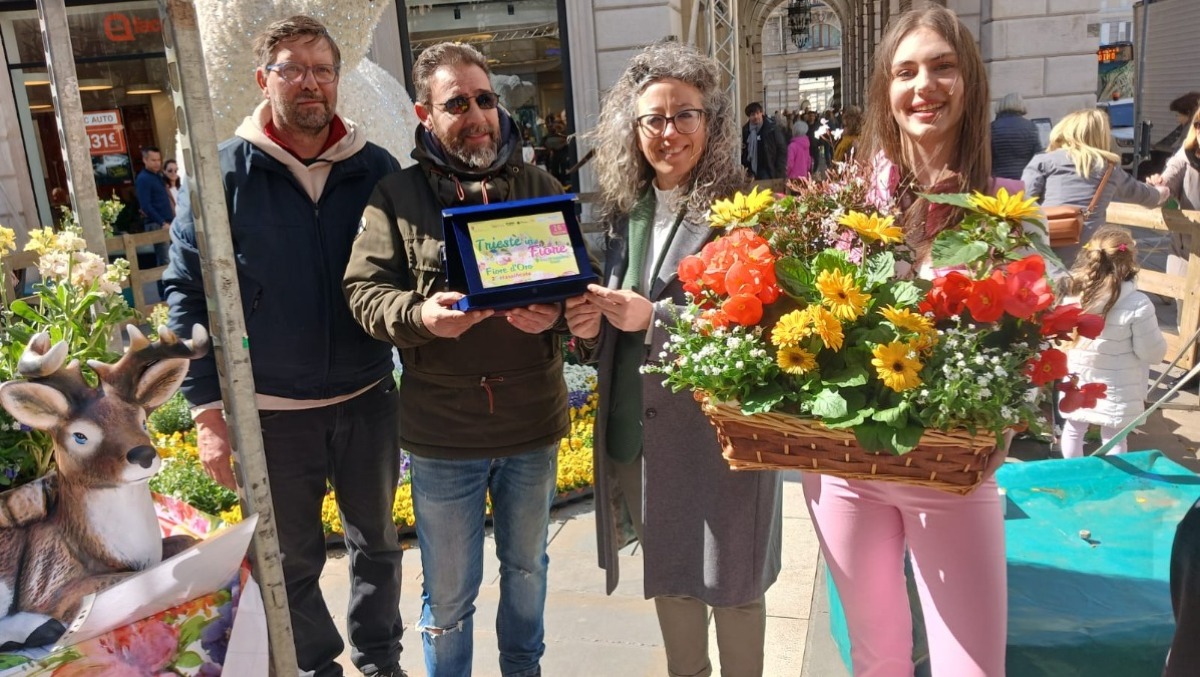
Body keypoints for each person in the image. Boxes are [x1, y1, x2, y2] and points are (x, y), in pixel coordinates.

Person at [162, 16, 405, 677]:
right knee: (289, 557)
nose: (310, 84)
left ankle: (382, 659)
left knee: (379, 543)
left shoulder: (375, 167)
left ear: (337, 80)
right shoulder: (222, 175)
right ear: (262, 78)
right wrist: (209, 414)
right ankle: (319, 666)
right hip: (271, 413)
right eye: (292, 69)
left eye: (322, 70)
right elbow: (187, 292)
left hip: (366, 399)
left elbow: (413, 267)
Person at [804, 8, 1024, 675]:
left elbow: (1025, 346)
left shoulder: (1004, 205)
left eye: (942, 66)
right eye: (905, 72)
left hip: (951, 469)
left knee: (972, 666)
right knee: (877, 660)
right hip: (847, 466)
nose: (923, 86)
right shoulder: (853, 200)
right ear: (886, 92)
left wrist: (1008, 417)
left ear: (970, 81)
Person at [342, 41, 571, 677]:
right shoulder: (396, 195)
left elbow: (582, 281)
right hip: (444, 435)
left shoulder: (539, 184)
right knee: (448, 594)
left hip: (531, 423)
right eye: (456, 103)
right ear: (424, 114)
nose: (476, 114)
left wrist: (555, 311)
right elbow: (361, 292)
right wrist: (420, 318)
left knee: (528, 570)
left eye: (485, 99)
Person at [564, 40, 783, 677]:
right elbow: (616, 326)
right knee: (673, 582)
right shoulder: (622, 212)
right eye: (653, 119)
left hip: (721, 436)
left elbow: (765, 335)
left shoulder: (744, 211)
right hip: (645, 437)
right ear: (632, 130)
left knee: (735, 587)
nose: (669, 132)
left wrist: (655, 318)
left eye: (683, 114)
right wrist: (589, 328)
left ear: (710, 123)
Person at [1057, 227, 1167, 458]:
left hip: (1078, 379)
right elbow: (1152, 353)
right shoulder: (1138, 303)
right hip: (1118, 385)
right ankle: (1115, 484)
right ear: (1130, 261)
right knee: (1114, 436)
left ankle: (1073, 474)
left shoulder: (1072, 293)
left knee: (1074, 428)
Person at [1022, 109, 1168, 266]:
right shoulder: (1109, 169)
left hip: (1042, 252)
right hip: (1087, 260)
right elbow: (1147, 197)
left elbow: (1022, 202)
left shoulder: (1043, 161)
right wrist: (1162, 191)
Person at [1149, 106, 1200, 281]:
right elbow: (1168, 181)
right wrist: (1159, 186)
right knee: (1184, 307)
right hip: (1186, 255)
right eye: (1198, 124)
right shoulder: (1186, 156)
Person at [135, 145, 173, 266]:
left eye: (158, 160)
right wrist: (162, 223)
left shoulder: (158, 176)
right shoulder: (143, 179)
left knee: (173, 258)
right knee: (165, 261)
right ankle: (164, 285)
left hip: (168, 222)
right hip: (157, 224)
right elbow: (145, 206)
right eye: (153, 160)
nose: (157, 163)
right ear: (145, 160)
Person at [990, 92, 1041, 180]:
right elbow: (1037, 154)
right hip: (1023, 178)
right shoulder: (1031, 126)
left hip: (998, 178)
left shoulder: (991, 127)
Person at [741, 101, 786, 180]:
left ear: (762, 113)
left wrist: (779, 172)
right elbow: (743, 151)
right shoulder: (745, 131)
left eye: (757, 113)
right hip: (751, 172)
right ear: (749, 117)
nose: (755, 117)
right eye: (752, 115)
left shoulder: (771, 128)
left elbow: (782, 149)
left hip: (769, 170)